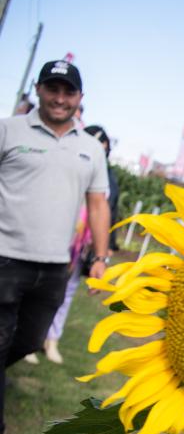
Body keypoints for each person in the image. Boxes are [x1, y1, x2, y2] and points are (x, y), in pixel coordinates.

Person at [0, 60, 110, 434]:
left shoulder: (91, 148)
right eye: (52, 88)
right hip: (5, 258)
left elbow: (97, 204)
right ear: (39, 88)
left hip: (53, 267)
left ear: (80, 98)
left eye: (68, 91)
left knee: (29, 340)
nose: (59, 98)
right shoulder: (9, 129)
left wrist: (100, 256)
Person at [36, 125, 115, 365]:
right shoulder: (65, 165)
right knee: (39, 290)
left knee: (65, 294)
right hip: (53, 239)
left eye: (103, 151)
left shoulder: (109, 179)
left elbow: (109, 211)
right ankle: (32, 340)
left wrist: (104, 250)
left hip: (81, 249)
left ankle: (52, 340)